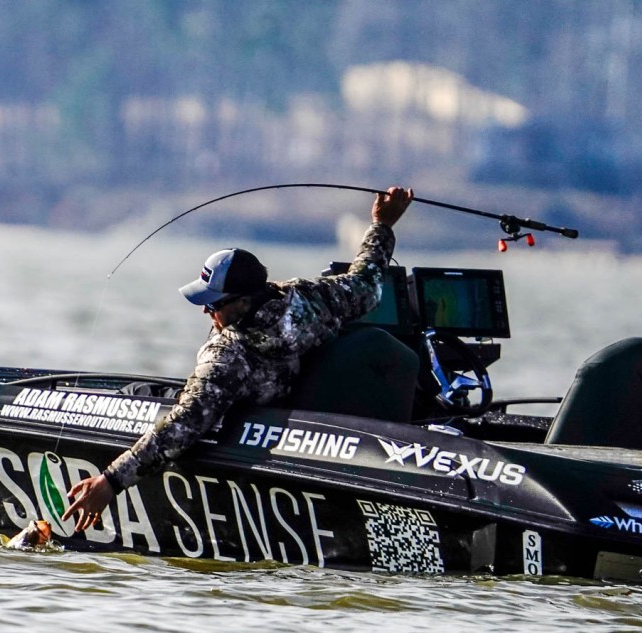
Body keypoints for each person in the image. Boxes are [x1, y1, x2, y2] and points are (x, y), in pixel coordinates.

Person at [62, 186, 414, 532]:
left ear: (244, 301)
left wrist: (110, 481)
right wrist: (382, 225)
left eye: (214, 304)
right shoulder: (309, 300)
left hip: (240, 418)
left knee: (139, 395)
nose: (206, 311)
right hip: (294, 416)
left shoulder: (229, 356)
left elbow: (183, 427)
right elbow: (366, 283)